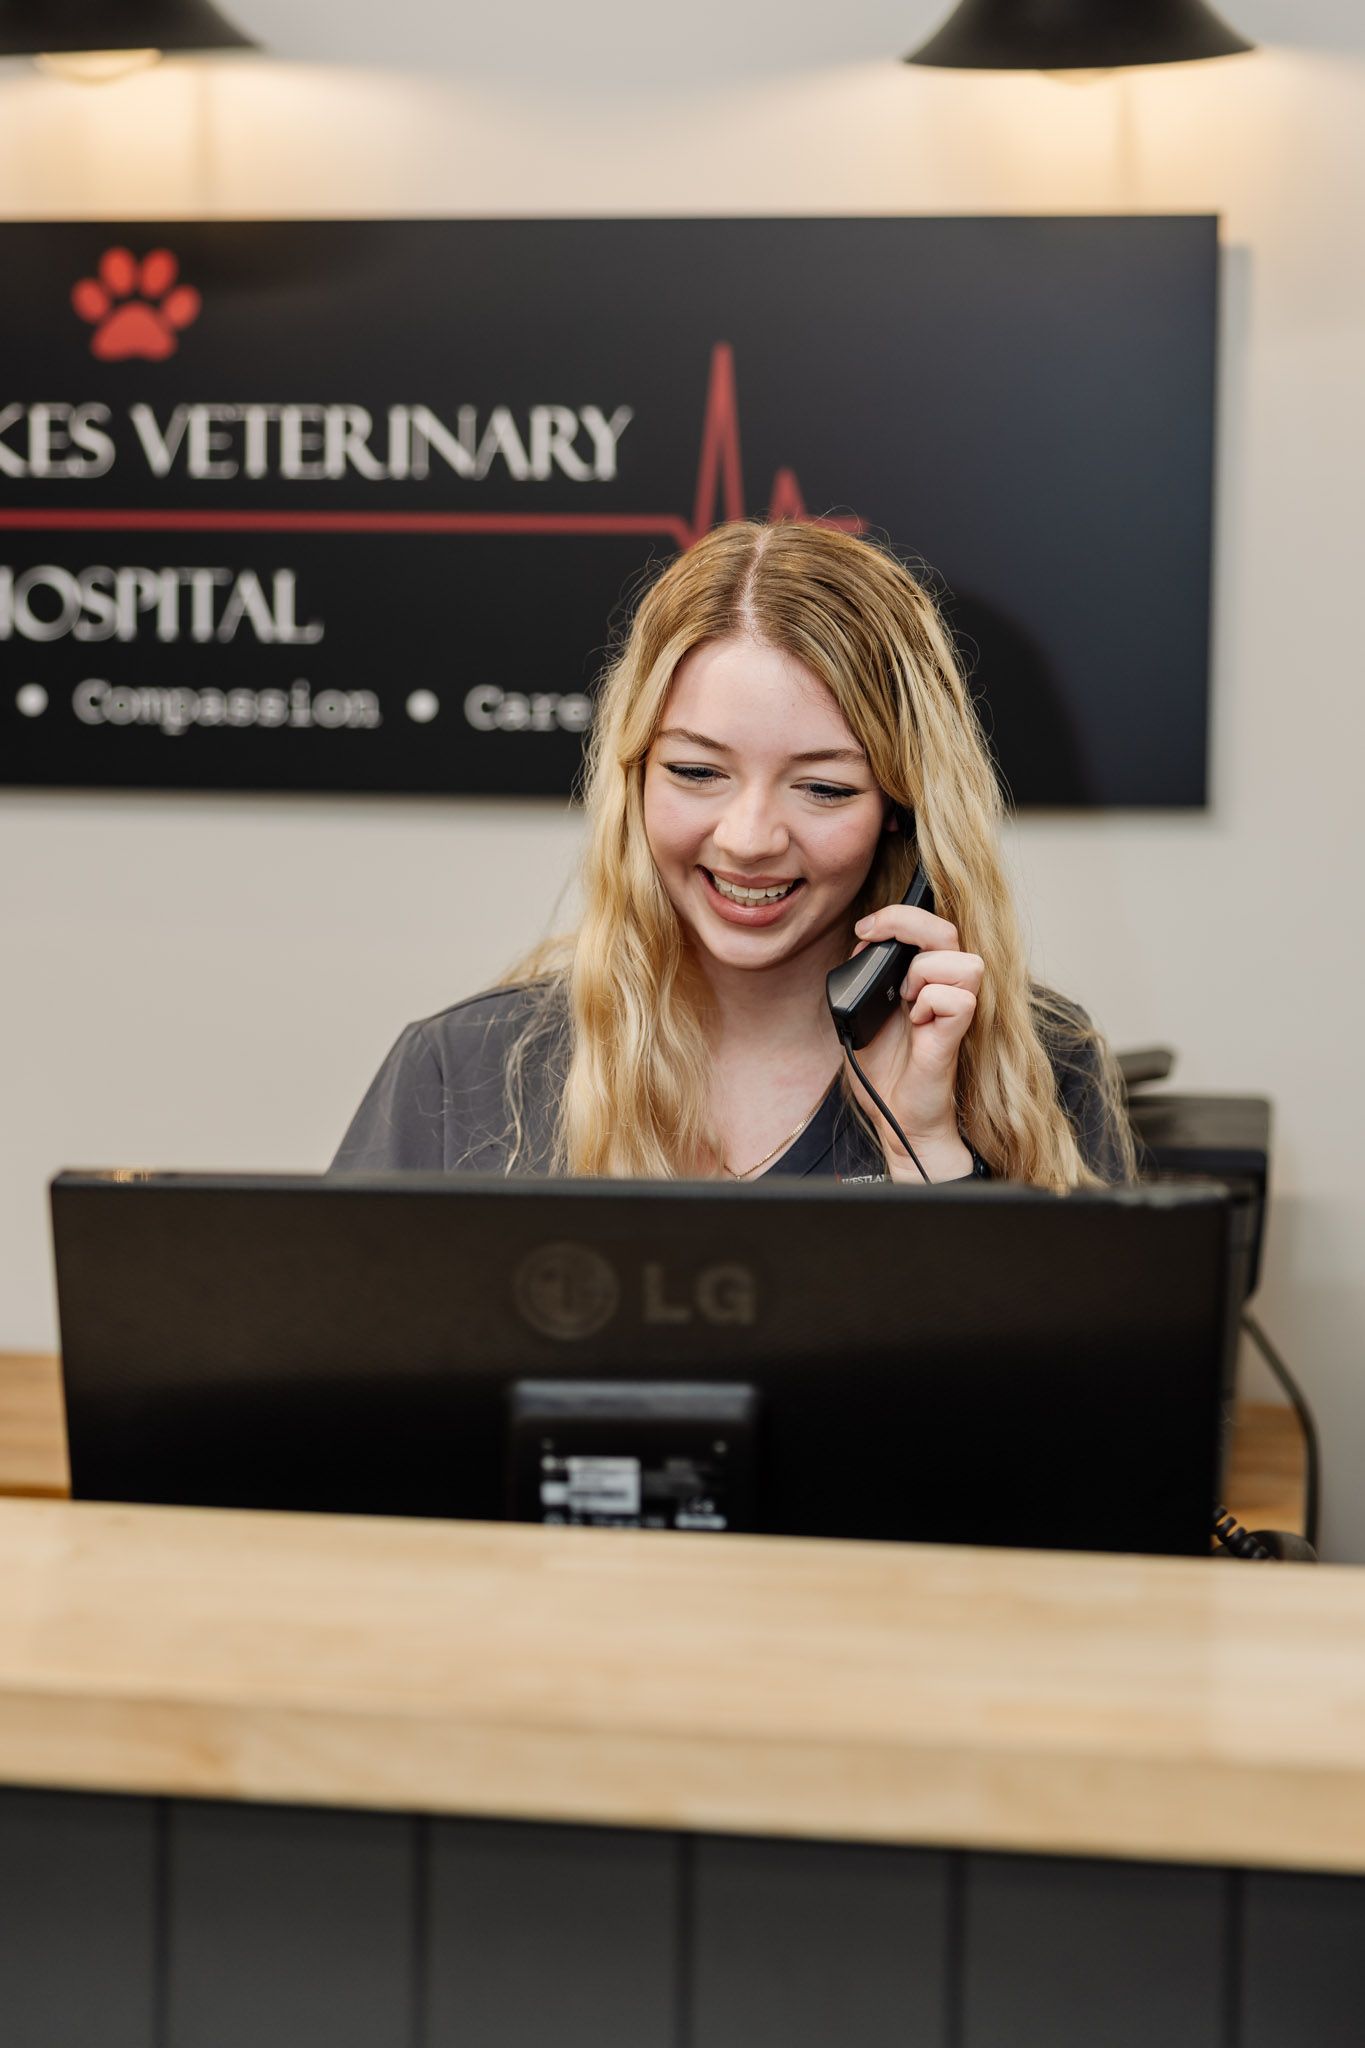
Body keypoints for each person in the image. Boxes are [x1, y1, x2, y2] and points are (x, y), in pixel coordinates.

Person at [333, 521, 1134, 1188]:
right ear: (635, 777)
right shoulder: (460, 1071)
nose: (749, 839)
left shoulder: (1040, 1070)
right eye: (695, 772)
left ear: (904, 809)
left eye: (823, 788)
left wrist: (924, 1154)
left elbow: (1048, 1382)